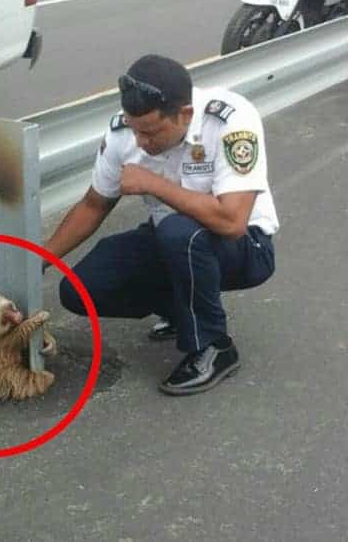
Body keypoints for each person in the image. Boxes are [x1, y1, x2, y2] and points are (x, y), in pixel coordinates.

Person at [42, 54, 278, 396]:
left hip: (245, 248)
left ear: (184, 115)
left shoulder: (230, 120)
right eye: (135, 130)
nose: (141, 142)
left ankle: (214, 347)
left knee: (179, 233)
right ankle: (181, 310)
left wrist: (153, 183)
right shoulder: (125, 134)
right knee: (80, 289)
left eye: (151, 133)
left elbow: (232, 222)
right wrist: (41, 258)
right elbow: (94, 204)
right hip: (172, 242)